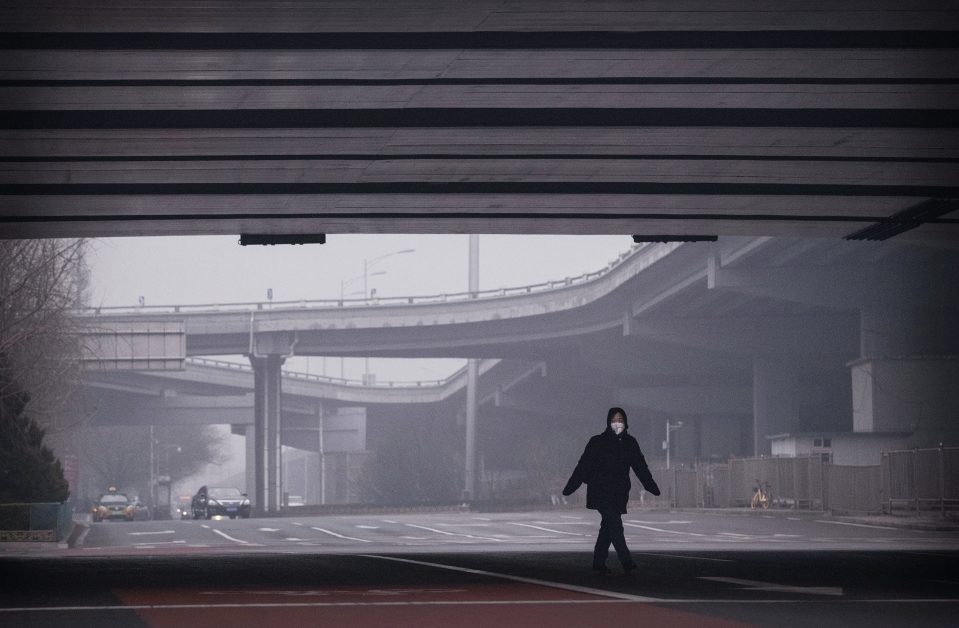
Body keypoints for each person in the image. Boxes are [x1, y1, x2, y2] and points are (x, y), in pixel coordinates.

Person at [562, 407, 660, 575]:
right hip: (600, 492)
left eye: (620, 420)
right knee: (615, 525)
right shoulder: (597, 442)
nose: (617, 423)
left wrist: (651, 486)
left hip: (619, 493)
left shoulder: (630, 443)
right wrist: (570, 487)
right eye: (614, 420)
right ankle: (627, 561)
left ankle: (598, 562)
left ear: (626, 422)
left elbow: (640, 467)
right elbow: (583, 466)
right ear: (608, 422)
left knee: (607, 526)